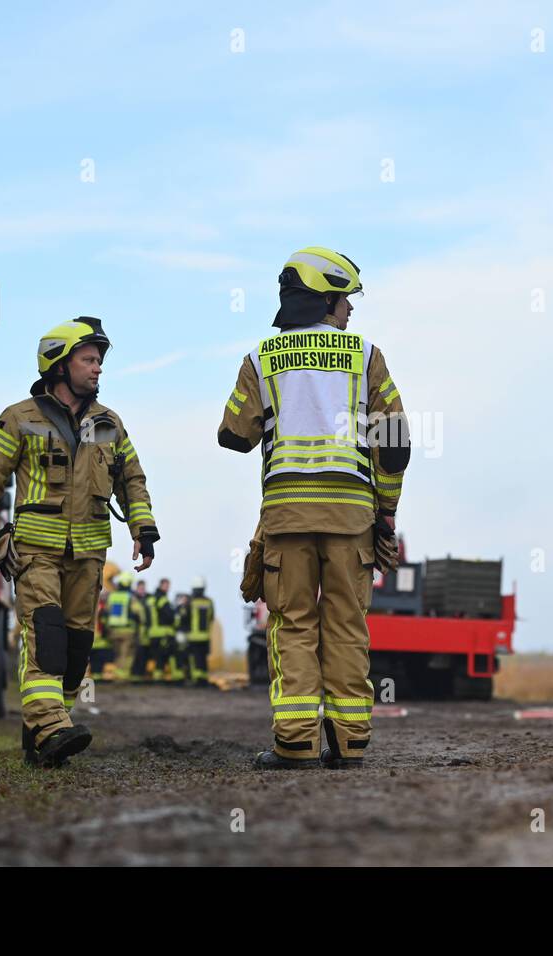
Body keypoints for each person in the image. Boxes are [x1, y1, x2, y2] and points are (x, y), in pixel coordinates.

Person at [218, 247, 409, 769]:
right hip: (351, 517)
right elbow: (393, 444)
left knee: (292, 623)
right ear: (323, 298)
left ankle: (296, 743)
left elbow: (233, 435)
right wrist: (385, 513)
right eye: (345, 299)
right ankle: (349, 743)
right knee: (348, 623)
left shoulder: (261, 358)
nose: (349, 310)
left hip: (286, 517)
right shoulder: (366, 356)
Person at [0, 317, 159, 767]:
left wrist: (143, 530)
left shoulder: (109, 423)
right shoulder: (19, 417)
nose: (98, 369)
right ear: (58, 364)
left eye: (100, 361)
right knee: (45, 638)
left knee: (74, 651)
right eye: (89, 360)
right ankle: (51, 727)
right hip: (34, 551)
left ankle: (44, 734)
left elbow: (132, 479)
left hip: (89, 553)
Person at [106, 571, 144, 679]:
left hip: (113, 631)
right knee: (126, 655)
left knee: (117, 654)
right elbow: (139, 613)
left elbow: (106, 612)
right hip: (127, 632)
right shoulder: (130, 598)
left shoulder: (112, 597)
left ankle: (118, 674)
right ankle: (123, 676)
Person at [186, 576, 215, 687]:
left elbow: (185, 618)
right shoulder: (209, 602)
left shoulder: (190, 602)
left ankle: (196, 679)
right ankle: (203, 679)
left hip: (193, 636)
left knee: (194, 658)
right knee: (203, 659)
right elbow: (211, 617)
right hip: (205, 636)